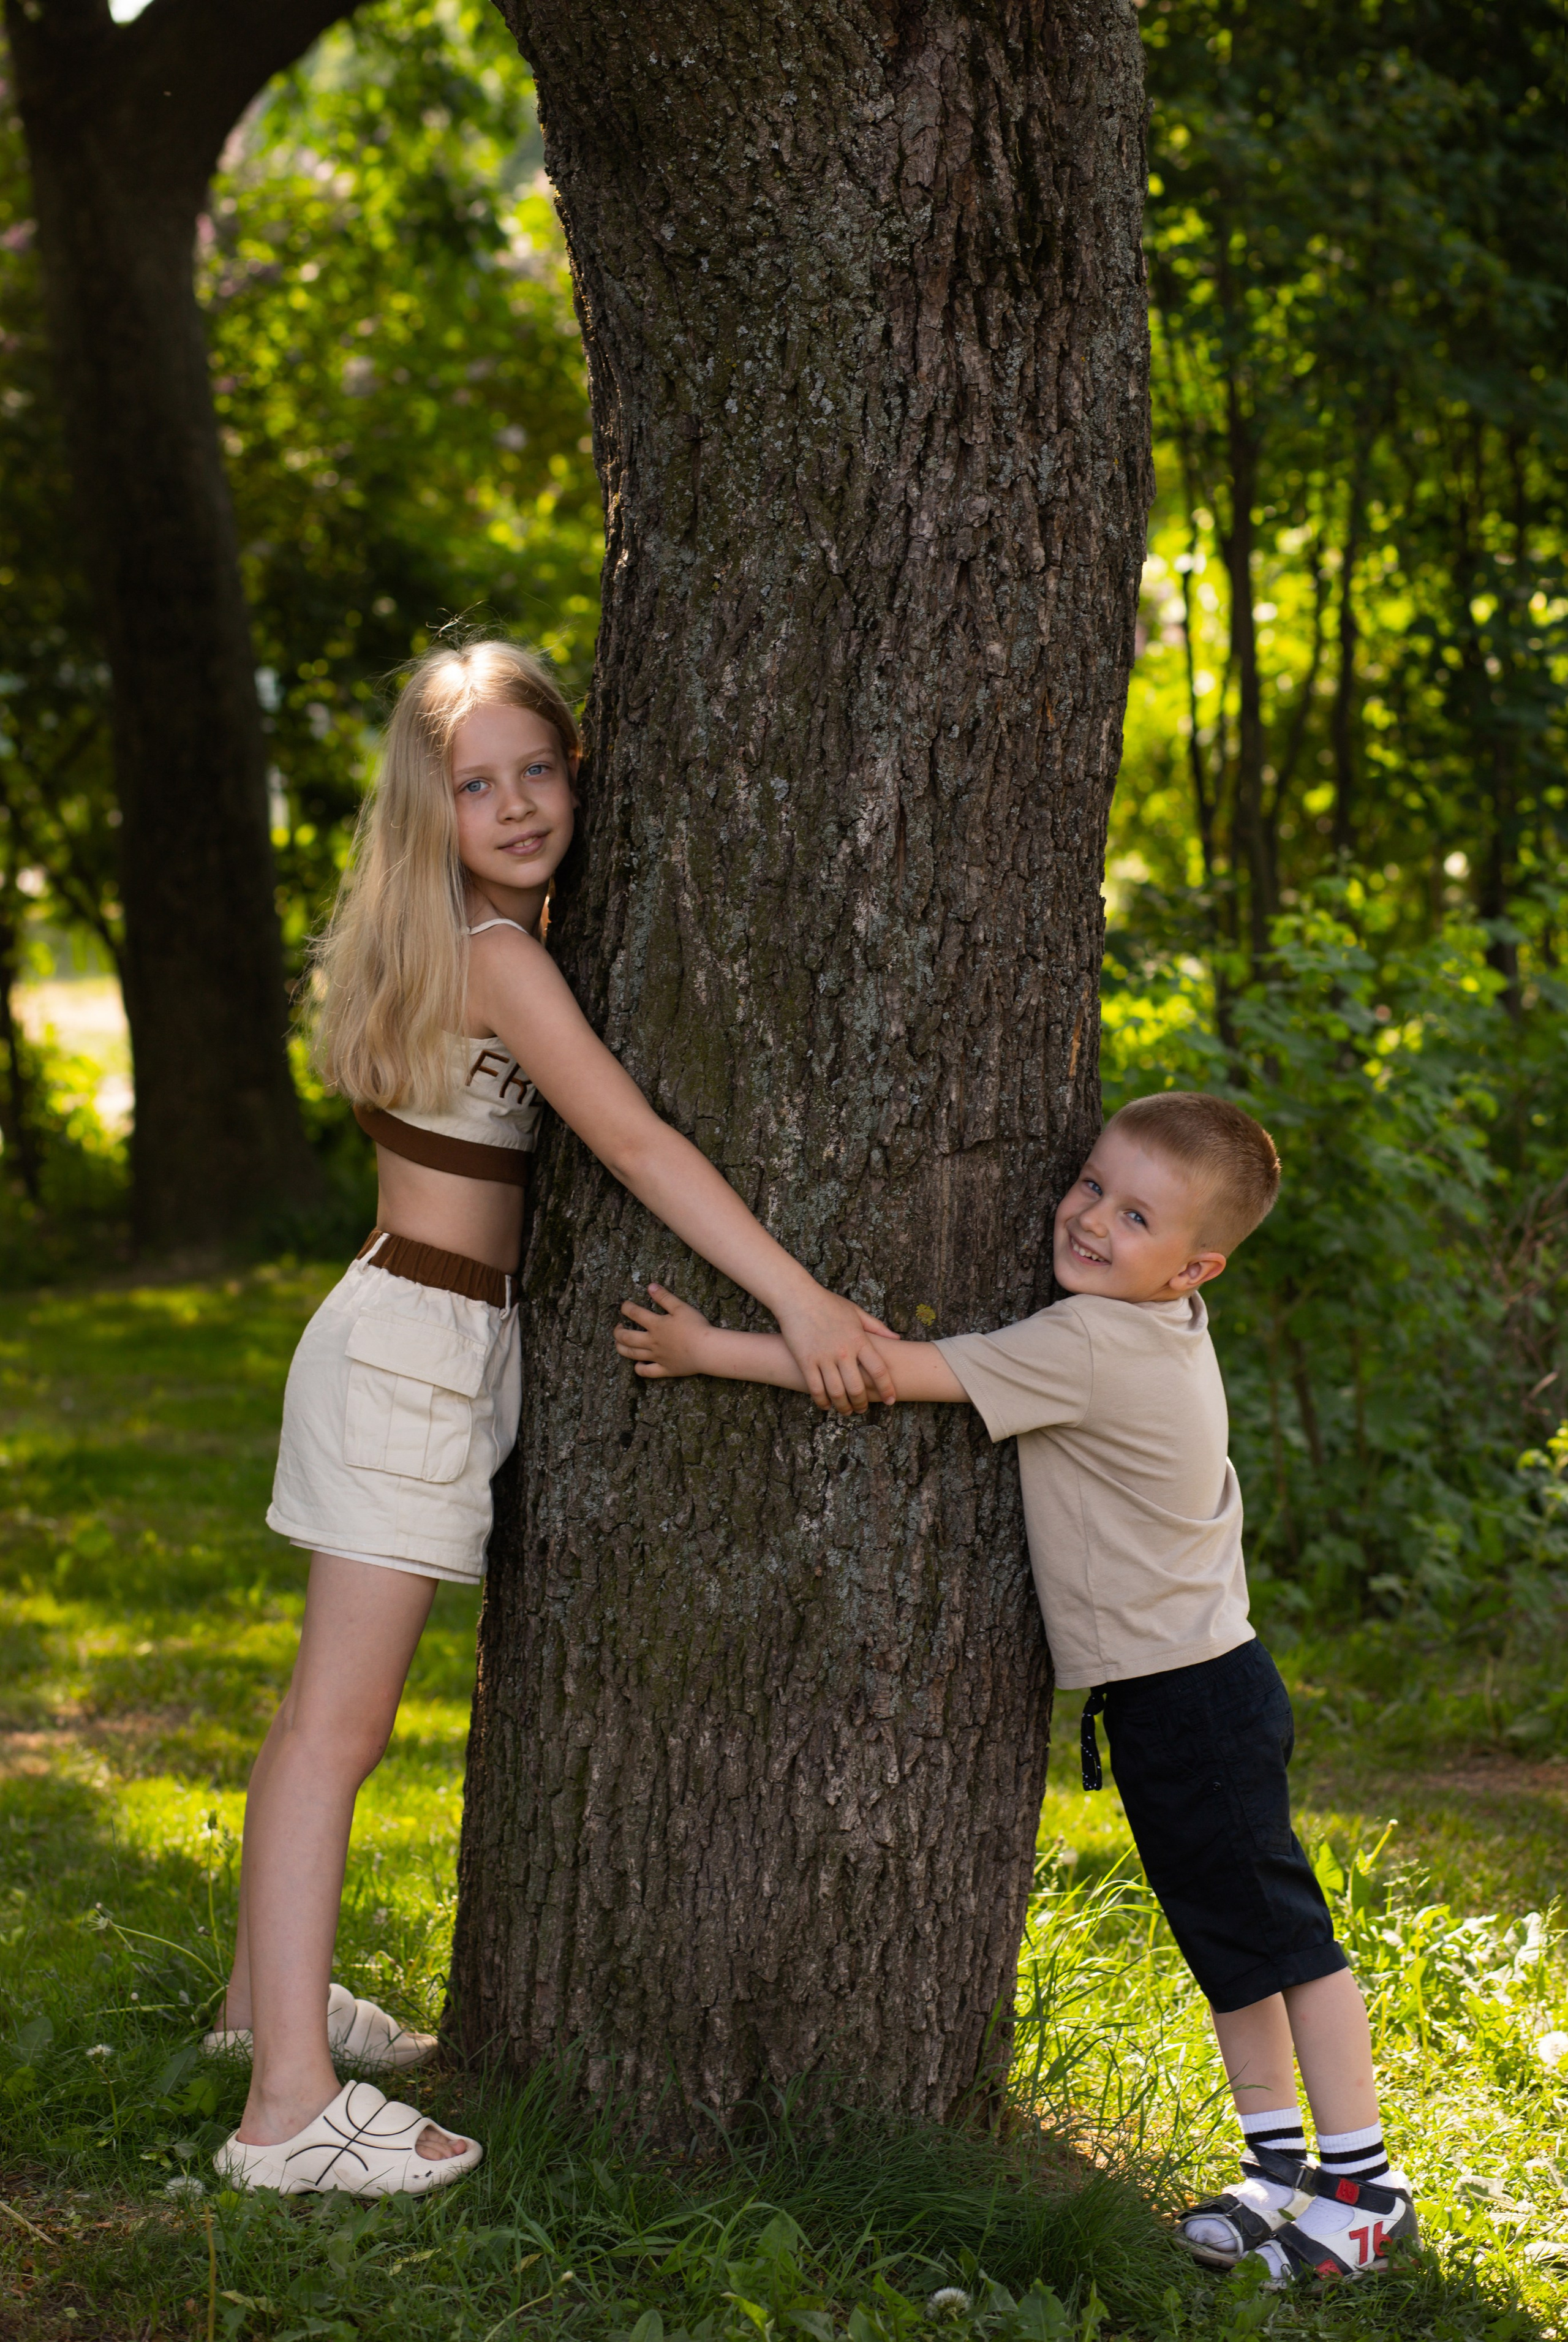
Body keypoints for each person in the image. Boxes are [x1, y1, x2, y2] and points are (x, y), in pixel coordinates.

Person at [211, 638, 897, 2199]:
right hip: (412, 1355)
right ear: (428, 806)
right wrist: (795, 1298)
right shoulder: (497, 956)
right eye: (478, 783)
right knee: (338, 1727)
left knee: (323, 1716)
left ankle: (265, 2001)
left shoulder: (464, 932)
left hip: (412, 1330)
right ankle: (284, 2110)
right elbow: (640, 1145)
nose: (519, 805)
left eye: (542, 770)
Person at [614, 1090, 1418, 2287]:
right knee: (1228, 1942)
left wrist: (705, 1350)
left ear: (1191, 1265)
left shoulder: (1089, 1342)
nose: (1090, 1219)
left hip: (1190, 1696)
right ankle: (1276, 2167)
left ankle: (1361, 2188)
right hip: (1184, 1691)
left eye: (1133, 1214)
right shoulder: (1151, 1317)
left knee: (1282, 1939)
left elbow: (876, 1371)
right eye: (1091, 1185)